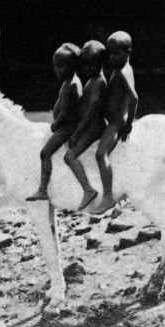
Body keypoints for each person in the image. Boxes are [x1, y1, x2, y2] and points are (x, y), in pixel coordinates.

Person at [88, 30, 138, 214]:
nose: (112, 57)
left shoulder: (122, 72)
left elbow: (134, 98)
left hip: (117, 122)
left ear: (128, 52)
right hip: (115, 118)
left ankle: (108, 196)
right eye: (110, 53)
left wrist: (129, 124)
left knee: (101, 155)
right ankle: (118, 191)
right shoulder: (126, 69)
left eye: (116, 53)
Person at [26, 43, 83, 201]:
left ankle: (43, 189)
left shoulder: (69, 85)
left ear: (71, 66)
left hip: (66, 128)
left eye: (60, 66)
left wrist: (55, 124)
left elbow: (65, 112)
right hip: (69, 126)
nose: (56, 70)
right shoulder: (72, 81)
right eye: (55, 66)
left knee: (45, 153)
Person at [63, 40, 108, 211]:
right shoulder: (92, 80)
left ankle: (88, 190)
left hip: (93, 129)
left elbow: (91, 112)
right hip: (89, 126)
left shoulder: (98, 83)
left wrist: (77, 133)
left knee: (70, 156)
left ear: (101, 63)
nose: (87, 68)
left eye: (92, 65)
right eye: (85, 65)